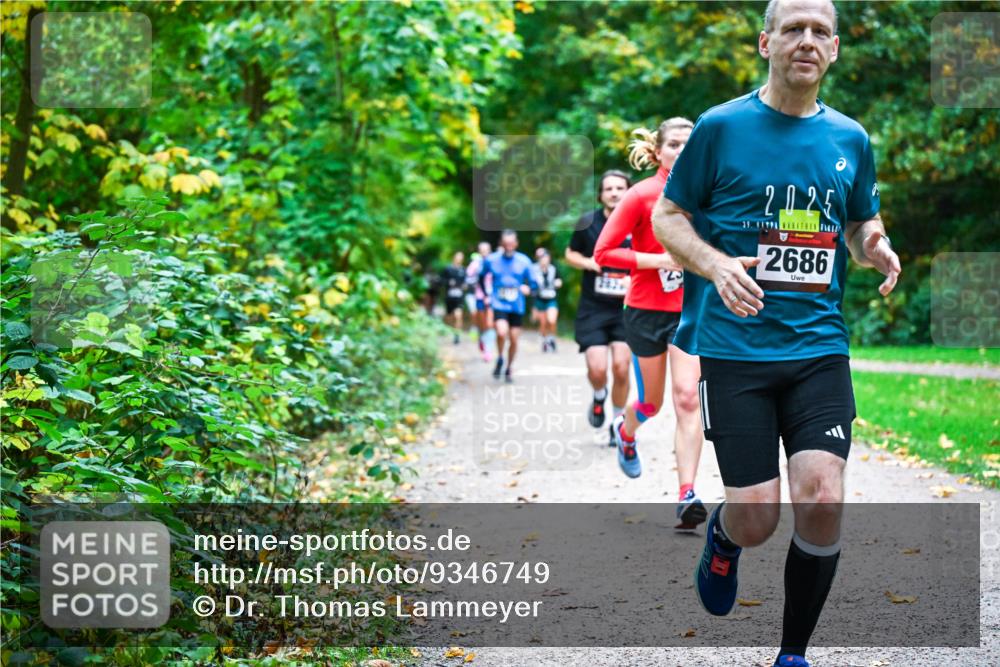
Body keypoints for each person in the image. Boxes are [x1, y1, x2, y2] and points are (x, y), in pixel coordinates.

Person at [650, 2, 901, 665]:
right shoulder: (720, 127)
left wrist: (874, 245)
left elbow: (859, 222)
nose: (806, 41)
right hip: (735, 350)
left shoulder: (850, 138)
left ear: (835, 49)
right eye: (793, 29)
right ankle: (725, 538)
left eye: (820, 31)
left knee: (822, 495)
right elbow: (667, 216)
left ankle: (793, 652)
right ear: (766, 43)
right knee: (757, 518)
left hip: (818, 347)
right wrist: (714, 264)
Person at [594, 118, 707, 531]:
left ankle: (687, 494)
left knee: (688, 398)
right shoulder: (641, 195)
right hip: (645, 311)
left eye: (689, 144)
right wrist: (657, 260)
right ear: (658, 152)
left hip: (689, 311)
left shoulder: (709, 193)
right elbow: (604, 252)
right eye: (674, 144)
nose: (682, 151)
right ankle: (626, 432)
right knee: (651, 403)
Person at [565, 170, 632, 445]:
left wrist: (635, 277)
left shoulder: (640, 222)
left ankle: (617, 422)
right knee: (597, 369)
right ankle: (599, 395)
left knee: (621, 367)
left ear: (628, 191)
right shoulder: (587, 222)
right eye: (608, 189)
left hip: (626, 308)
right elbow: (570, 253)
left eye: (619, 188)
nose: (614, 193)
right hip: (593, 307)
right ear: (601, 195)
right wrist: (588, 263)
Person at [480, 230, 537, 383]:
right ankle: (500, 357)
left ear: (516, 244)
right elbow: (481, 276)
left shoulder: (524, 261)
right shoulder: (491, 260)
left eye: (511, 243)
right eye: (506, 244)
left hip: (517, 306)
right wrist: (486, 294)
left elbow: (534, 285)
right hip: (499, 303)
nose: (508, 246)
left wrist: (528, 289)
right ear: (501, 243)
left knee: (514, 338)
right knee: (501, 332)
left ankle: (509, 367)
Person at [466, 243, 496, 361]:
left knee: (490, 324)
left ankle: (488, 350)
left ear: (490, 251)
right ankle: (481, 339)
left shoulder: (494, 263)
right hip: (479, 297)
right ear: (479, 251)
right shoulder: (475, 264)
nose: (484, 252)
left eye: (486, 250)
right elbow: (468, 278)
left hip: (492, 298)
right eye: (482, 250)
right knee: (483, 324)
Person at [530, 250, 562, 352]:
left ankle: (552, 338)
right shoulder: (533, 269)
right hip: (539, 299)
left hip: (551, 298)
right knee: (543, 323)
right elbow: (530, 284)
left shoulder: (553, 269)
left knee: (551, 320)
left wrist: (558, 283)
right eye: (542, 258)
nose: (544, 260)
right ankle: (545, 341)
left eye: (546, 258)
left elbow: (559, 279)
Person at [440, 251, 466, 345]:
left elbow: (466, 281)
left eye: (461, 258)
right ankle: (448, 330)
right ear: (454, 258)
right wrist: (448, 283)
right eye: (458, 257)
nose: (459, 259)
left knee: (458, 315)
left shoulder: (463, 270)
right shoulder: (448, 269)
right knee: (449, 316)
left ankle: (457, 335)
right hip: (449, 296)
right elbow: (441, 280)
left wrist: (465, 286)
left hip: (459, 296)